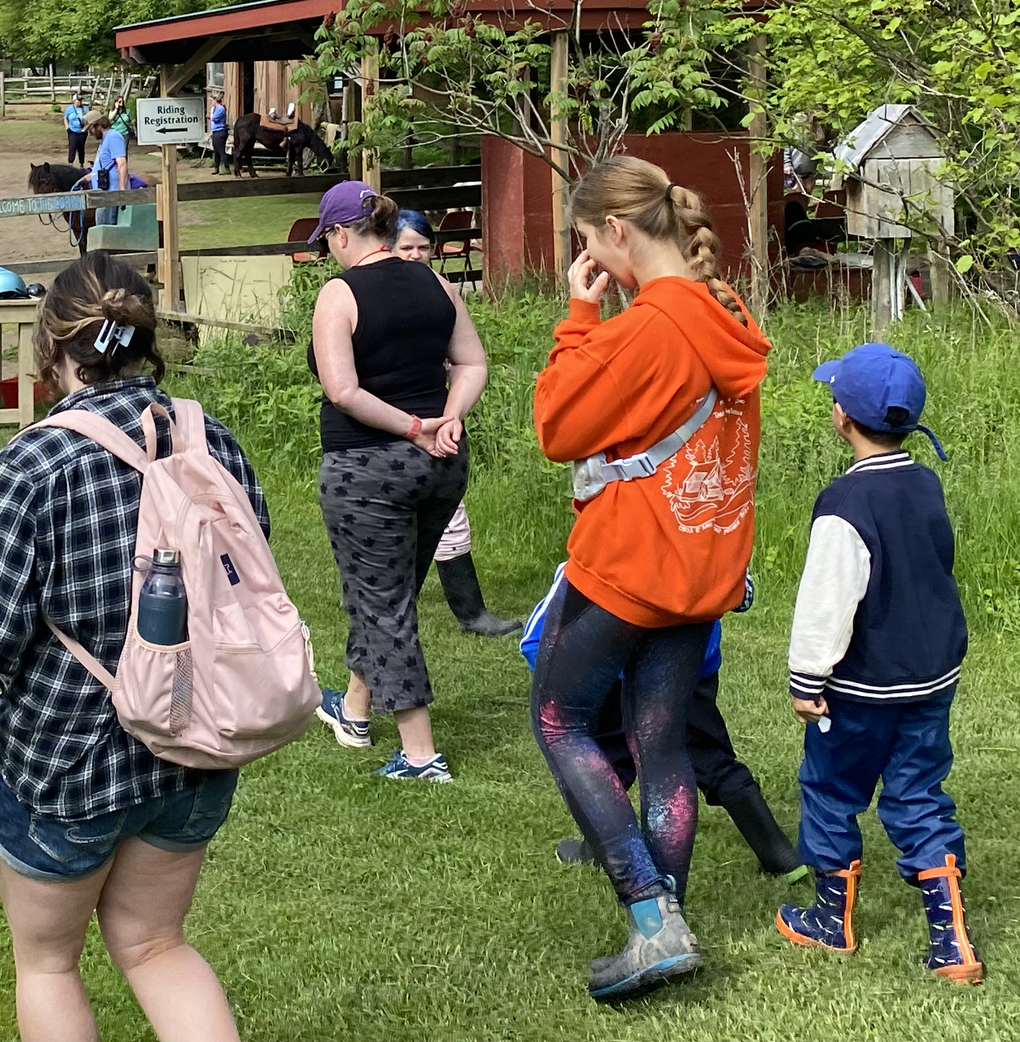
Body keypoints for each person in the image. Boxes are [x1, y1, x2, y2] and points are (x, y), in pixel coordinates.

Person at [0, 253, 263, 1042]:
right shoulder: (214, 441)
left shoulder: (29, 467)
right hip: (195, 745)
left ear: (51, 348)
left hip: (66, 765)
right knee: (156, 945)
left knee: (48, 962)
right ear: (147, 342)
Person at [529, 155, 770, 1002]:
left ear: (618, 232)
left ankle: (650, 912)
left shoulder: (647, 326)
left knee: (559, 717)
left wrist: (581, 309)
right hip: (701, 562)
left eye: (591, 238)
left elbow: (557, 423)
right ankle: (670, 922)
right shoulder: (722, 309)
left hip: (632, 560)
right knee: (661, 740)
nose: (591, 252)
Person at [776, 343, 983, 984]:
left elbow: (828, 601)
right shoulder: (925, 482)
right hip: (930, 680)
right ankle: (952, 945)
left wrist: (806, 677)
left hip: (859, 689)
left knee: (831, 792)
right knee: (919, 794)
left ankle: (830, 922)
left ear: (841, 415)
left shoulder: (845, 503)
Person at [306, 181, 487, 781]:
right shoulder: (435, 282)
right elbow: (471, 362)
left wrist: (413, 426)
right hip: (441, 463)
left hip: (367, 468)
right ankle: (355, 710)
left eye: (327, 239)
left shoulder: (340, 293)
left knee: (382, 604)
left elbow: (343, 390)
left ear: (340, 234)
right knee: (390, 592)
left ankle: (420, 755)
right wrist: (448, 418)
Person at [521, 564, 804, 878]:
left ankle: (607, 854)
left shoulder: (592, 562)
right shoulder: (706, 536)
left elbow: (536, 641)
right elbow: (741, 594)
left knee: (608, 766)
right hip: (692, 668)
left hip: (624, 682)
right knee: (712, 758)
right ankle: (781, 857)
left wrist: (571, 684)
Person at [390, 208, 516, 636]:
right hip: (386, 421)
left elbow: (466, 357)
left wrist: (451, 414)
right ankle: (382, 600)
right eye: (406, 247)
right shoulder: (365, 292)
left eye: (423, 248)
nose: (415, 255)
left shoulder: (443, 291)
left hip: (437, 413)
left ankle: (471, 612)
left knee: (448, 509)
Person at [63, 94, 89, 168]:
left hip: (82, 132)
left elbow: (89, 120)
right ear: (74, 101)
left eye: (81, 100)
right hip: (72, 131)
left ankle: (81, 163)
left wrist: (86, 128)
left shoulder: (86, 109)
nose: (80, 102)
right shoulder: (69, 109)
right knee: (72, 147)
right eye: (78, 100)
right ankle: (70, 163)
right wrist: (67, 128)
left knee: (81, 148)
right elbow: (65, 118)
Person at [206, 92, 227, 173]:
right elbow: (208, 117)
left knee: (221, 151)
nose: (211, 103)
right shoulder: (215, 108)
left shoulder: (221, 109)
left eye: (212, 101)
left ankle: (226, 168)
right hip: (215, 131)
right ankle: (216, 168)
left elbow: (214, 118)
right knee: (216, 151)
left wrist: (211, 111)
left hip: (220, 131)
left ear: (215, 101)